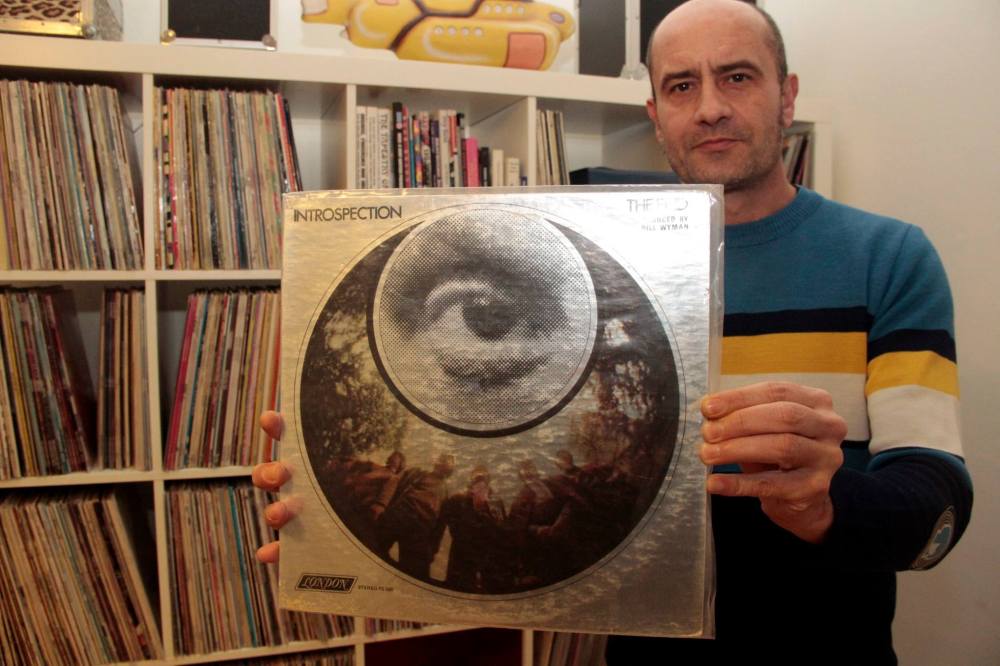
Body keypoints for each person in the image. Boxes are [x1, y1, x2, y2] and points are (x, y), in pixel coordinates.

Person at [254, 1, 972, 662]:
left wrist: (825, 501)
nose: (711, 108)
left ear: (786, 96)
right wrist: (333, 511)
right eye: (682, 86)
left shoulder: (887, 257)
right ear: (656, 114)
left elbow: (937, 505)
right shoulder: (579, 269)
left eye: (738, 76)